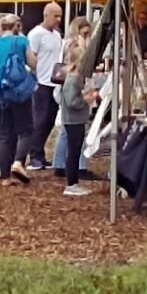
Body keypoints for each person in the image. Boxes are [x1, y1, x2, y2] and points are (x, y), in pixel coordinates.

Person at [0, 12, 37, 184]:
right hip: (18, 91)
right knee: (26, 130)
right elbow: (33, 63)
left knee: (5, 133)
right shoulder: (21, 41)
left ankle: (5, 176)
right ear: (16, 27)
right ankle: (18, 162)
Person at [56, 40, 99, 197]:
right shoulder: (72, 80)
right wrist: (85, 100)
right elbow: (71, 101)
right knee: (73, 151)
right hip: (73, 120)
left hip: (76, 119)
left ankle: (73, 182)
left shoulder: (75, 78)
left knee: (75, 150)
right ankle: (71, 183)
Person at [26, 2, 65, 171]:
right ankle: (34, 155)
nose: (58, 19)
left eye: (60, 16)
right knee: (39, 119)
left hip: (55, 82)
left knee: (50, 119)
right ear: (46, 15)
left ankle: (39, 152)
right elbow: (30, 57)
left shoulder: (57, 35)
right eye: (55, 16)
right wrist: (33, 77)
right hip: (41, 82)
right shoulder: (36, 34)